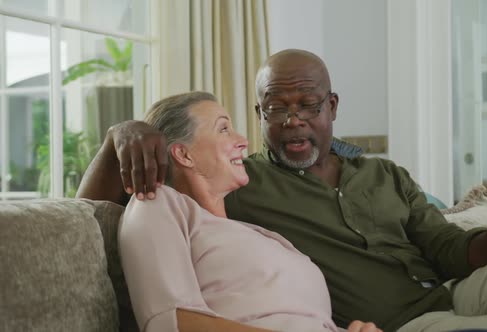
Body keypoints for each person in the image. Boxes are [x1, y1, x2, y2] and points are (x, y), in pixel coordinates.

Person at [78, 49, 487, 332]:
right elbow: (100, 208)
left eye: (308, 105)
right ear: (261, 115)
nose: (294, 120)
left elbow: (449, 250)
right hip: (398, 325)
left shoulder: (383, 174)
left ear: (333, 107)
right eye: (276, 108)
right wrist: (120, 136)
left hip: (452, 293)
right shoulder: (239, 183)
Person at [117, 91, 382, 332]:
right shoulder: (158, 202)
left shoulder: (256, 233)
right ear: (183, 155)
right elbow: (170, 321)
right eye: (223, 129)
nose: (243, 141)